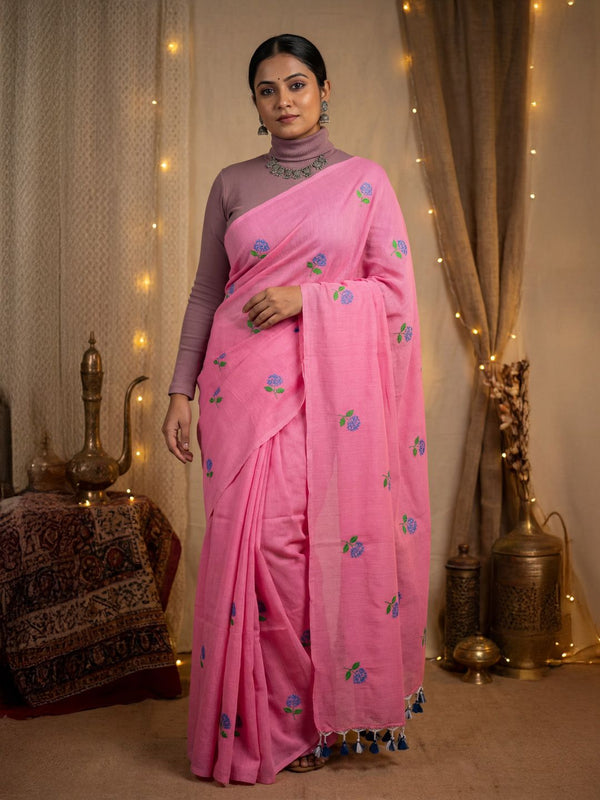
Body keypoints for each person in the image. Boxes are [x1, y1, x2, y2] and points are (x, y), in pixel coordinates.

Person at [162, 33, 430, 786]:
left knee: (312, 546)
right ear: (255, 102)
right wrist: (180, 391)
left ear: (324, 90)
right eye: (268, 89)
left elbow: (393, 296)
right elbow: (205, 293)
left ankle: (319, 718)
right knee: (259, 549)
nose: (284, 100)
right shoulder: (231, 184)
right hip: (239, 389)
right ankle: (271, 725)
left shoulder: (366, 182)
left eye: (298, 84)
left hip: (327, 396)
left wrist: (307, 299)